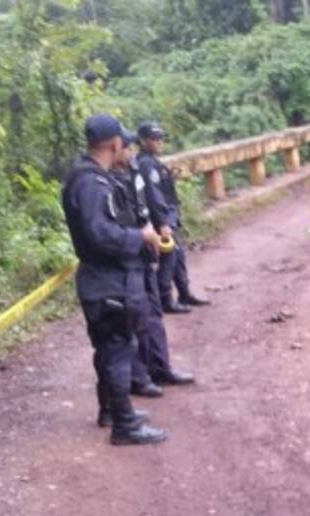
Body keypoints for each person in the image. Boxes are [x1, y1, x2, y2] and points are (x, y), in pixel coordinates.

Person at [60, 114, 168, 445]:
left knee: (110, 347)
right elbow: (99, 234)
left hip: (104, 278)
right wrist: (141, 236)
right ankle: (125, 425)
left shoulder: (90, 177)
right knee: (119, 348)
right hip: (108, 279)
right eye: (125, 142)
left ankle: (112, 410)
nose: (129, 148)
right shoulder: (91, 183)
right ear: (113, 144)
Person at [113, 133, 196, 392]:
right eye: (125, 147)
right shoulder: (104, 182)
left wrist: (157, 226)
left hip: (144, 253)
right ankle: (139, 379)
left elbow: (147, 205)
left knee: (153, 315)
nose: (129, 151)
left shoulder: (134, 171)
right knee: (134, 321)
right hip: (125, 260)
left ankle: (160, 369)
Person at [136, 121, 211, 313]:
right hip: (162, 219)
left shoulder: (152, 161)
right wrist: (162, 223)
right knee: (168, 260)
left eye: (161, 137)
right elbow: (154, 196)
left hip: (169, 216)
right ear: (143, 140)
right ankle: (165, 300)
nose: (159, 141)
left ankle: (185, 293)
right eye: (154, 138)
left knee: (179, 257)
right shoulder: (146, 164)